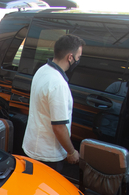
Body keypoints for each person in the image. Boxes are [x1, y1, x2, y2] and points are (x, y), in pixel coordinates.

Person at [21, 34, 85, 173]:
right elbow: (59, 127)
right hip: (48, 156)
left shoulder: (42, 70)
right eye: (78, 57)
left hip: (32, 147)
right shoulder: (58, 84)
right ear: (70, 57)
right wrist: (71, 152)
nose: (78, 60)